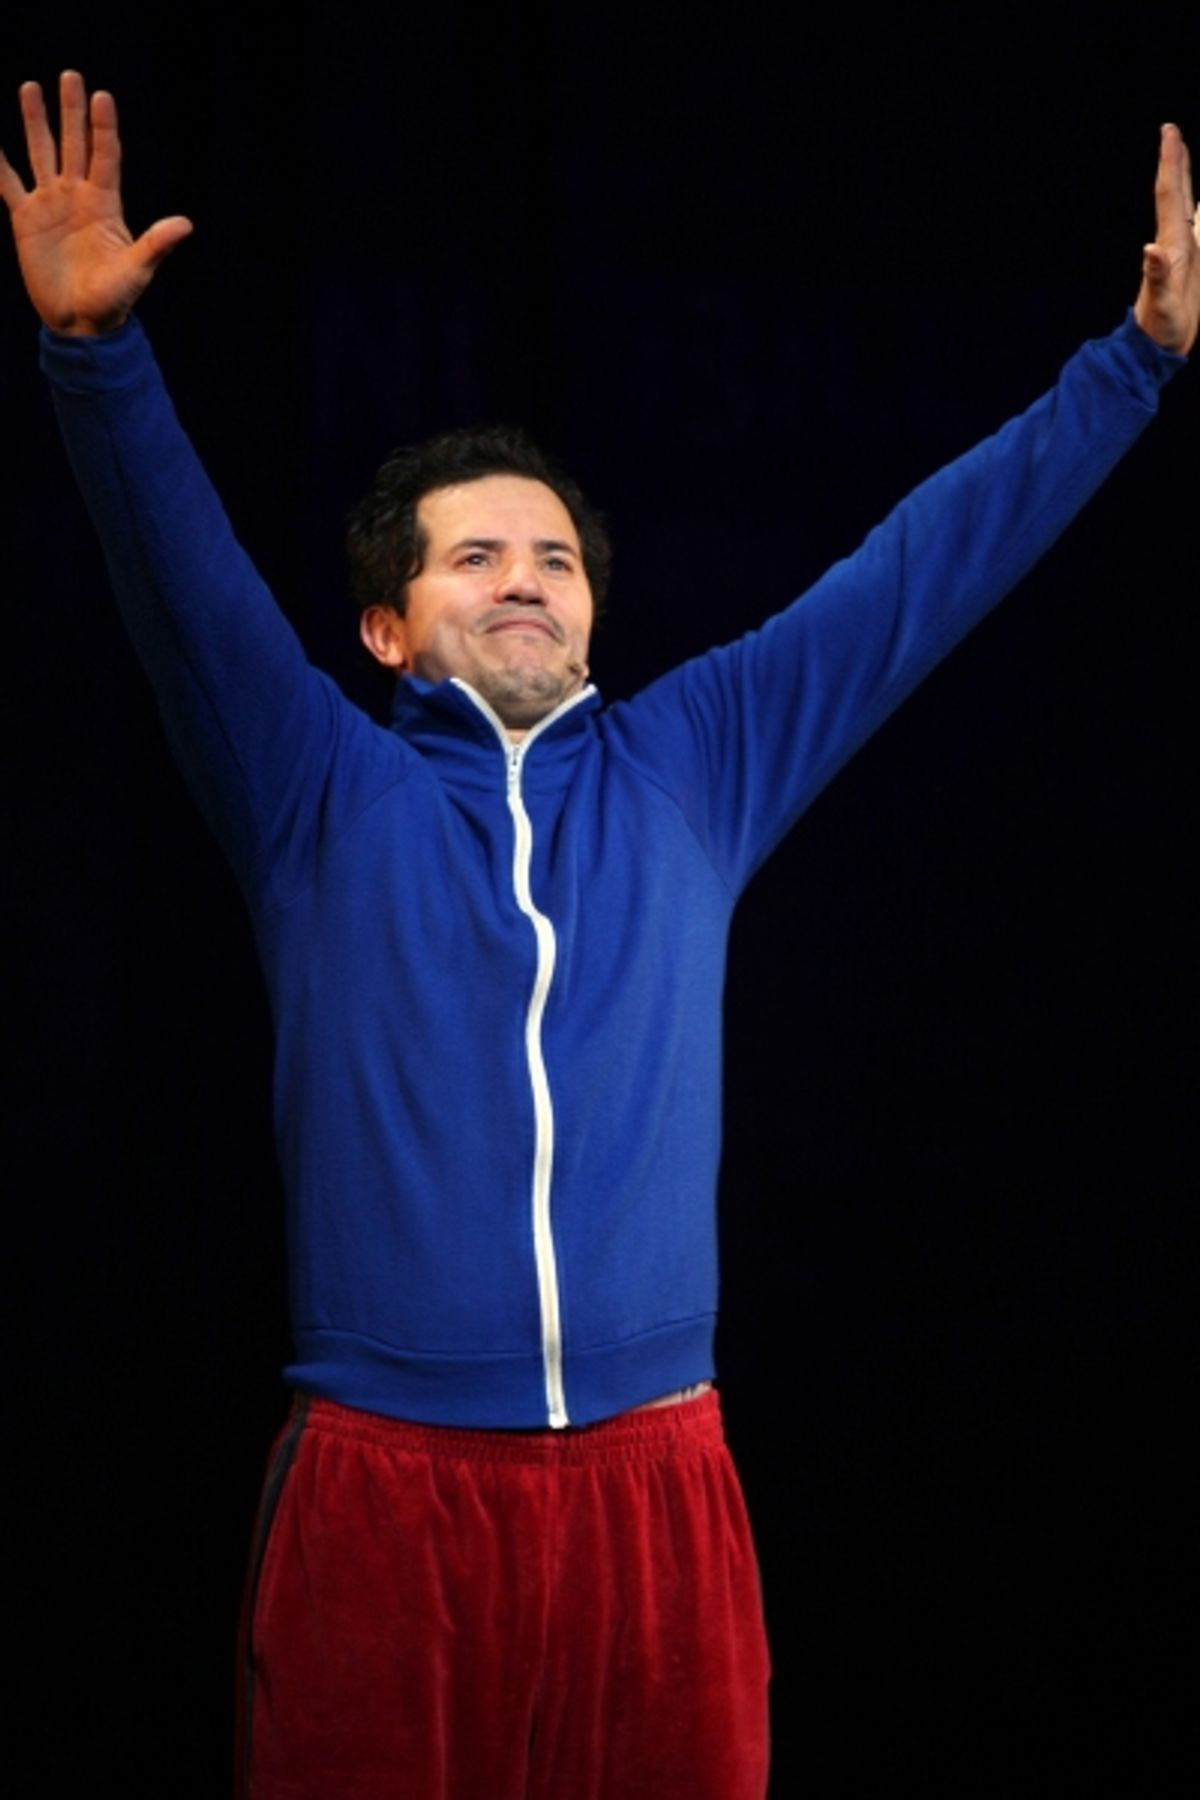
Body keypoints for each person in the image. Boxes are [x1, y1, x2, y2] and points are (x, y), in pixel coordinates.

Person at [2, 70, 1196, 1800]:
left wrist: (1134, 367)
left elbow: (921, 570)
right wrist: (97, 361)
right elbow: (174, 576)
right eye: (473, 554)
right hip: (384, 1486)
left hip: (658, 1487)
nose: (524, 576)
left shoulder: (693, 763)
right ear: (386, 627)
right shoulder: (318, 790)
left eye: (554, 556)